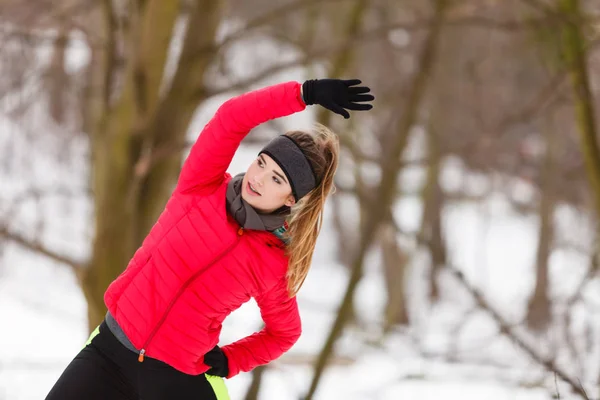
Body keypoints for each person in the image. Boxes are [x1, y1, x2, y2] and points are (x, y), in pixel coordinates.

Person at [45, 78, 374, 400]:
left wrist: (233, 360)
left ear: (291, 199)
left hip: (174, 380)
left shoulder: (273, 261)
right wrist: (304, 92)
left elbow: (284, 333)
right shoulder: (202, 186)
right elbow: (232, 117)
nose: (258, 178)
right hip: (110, 354)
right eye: (261, 162)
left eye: (276, 178)